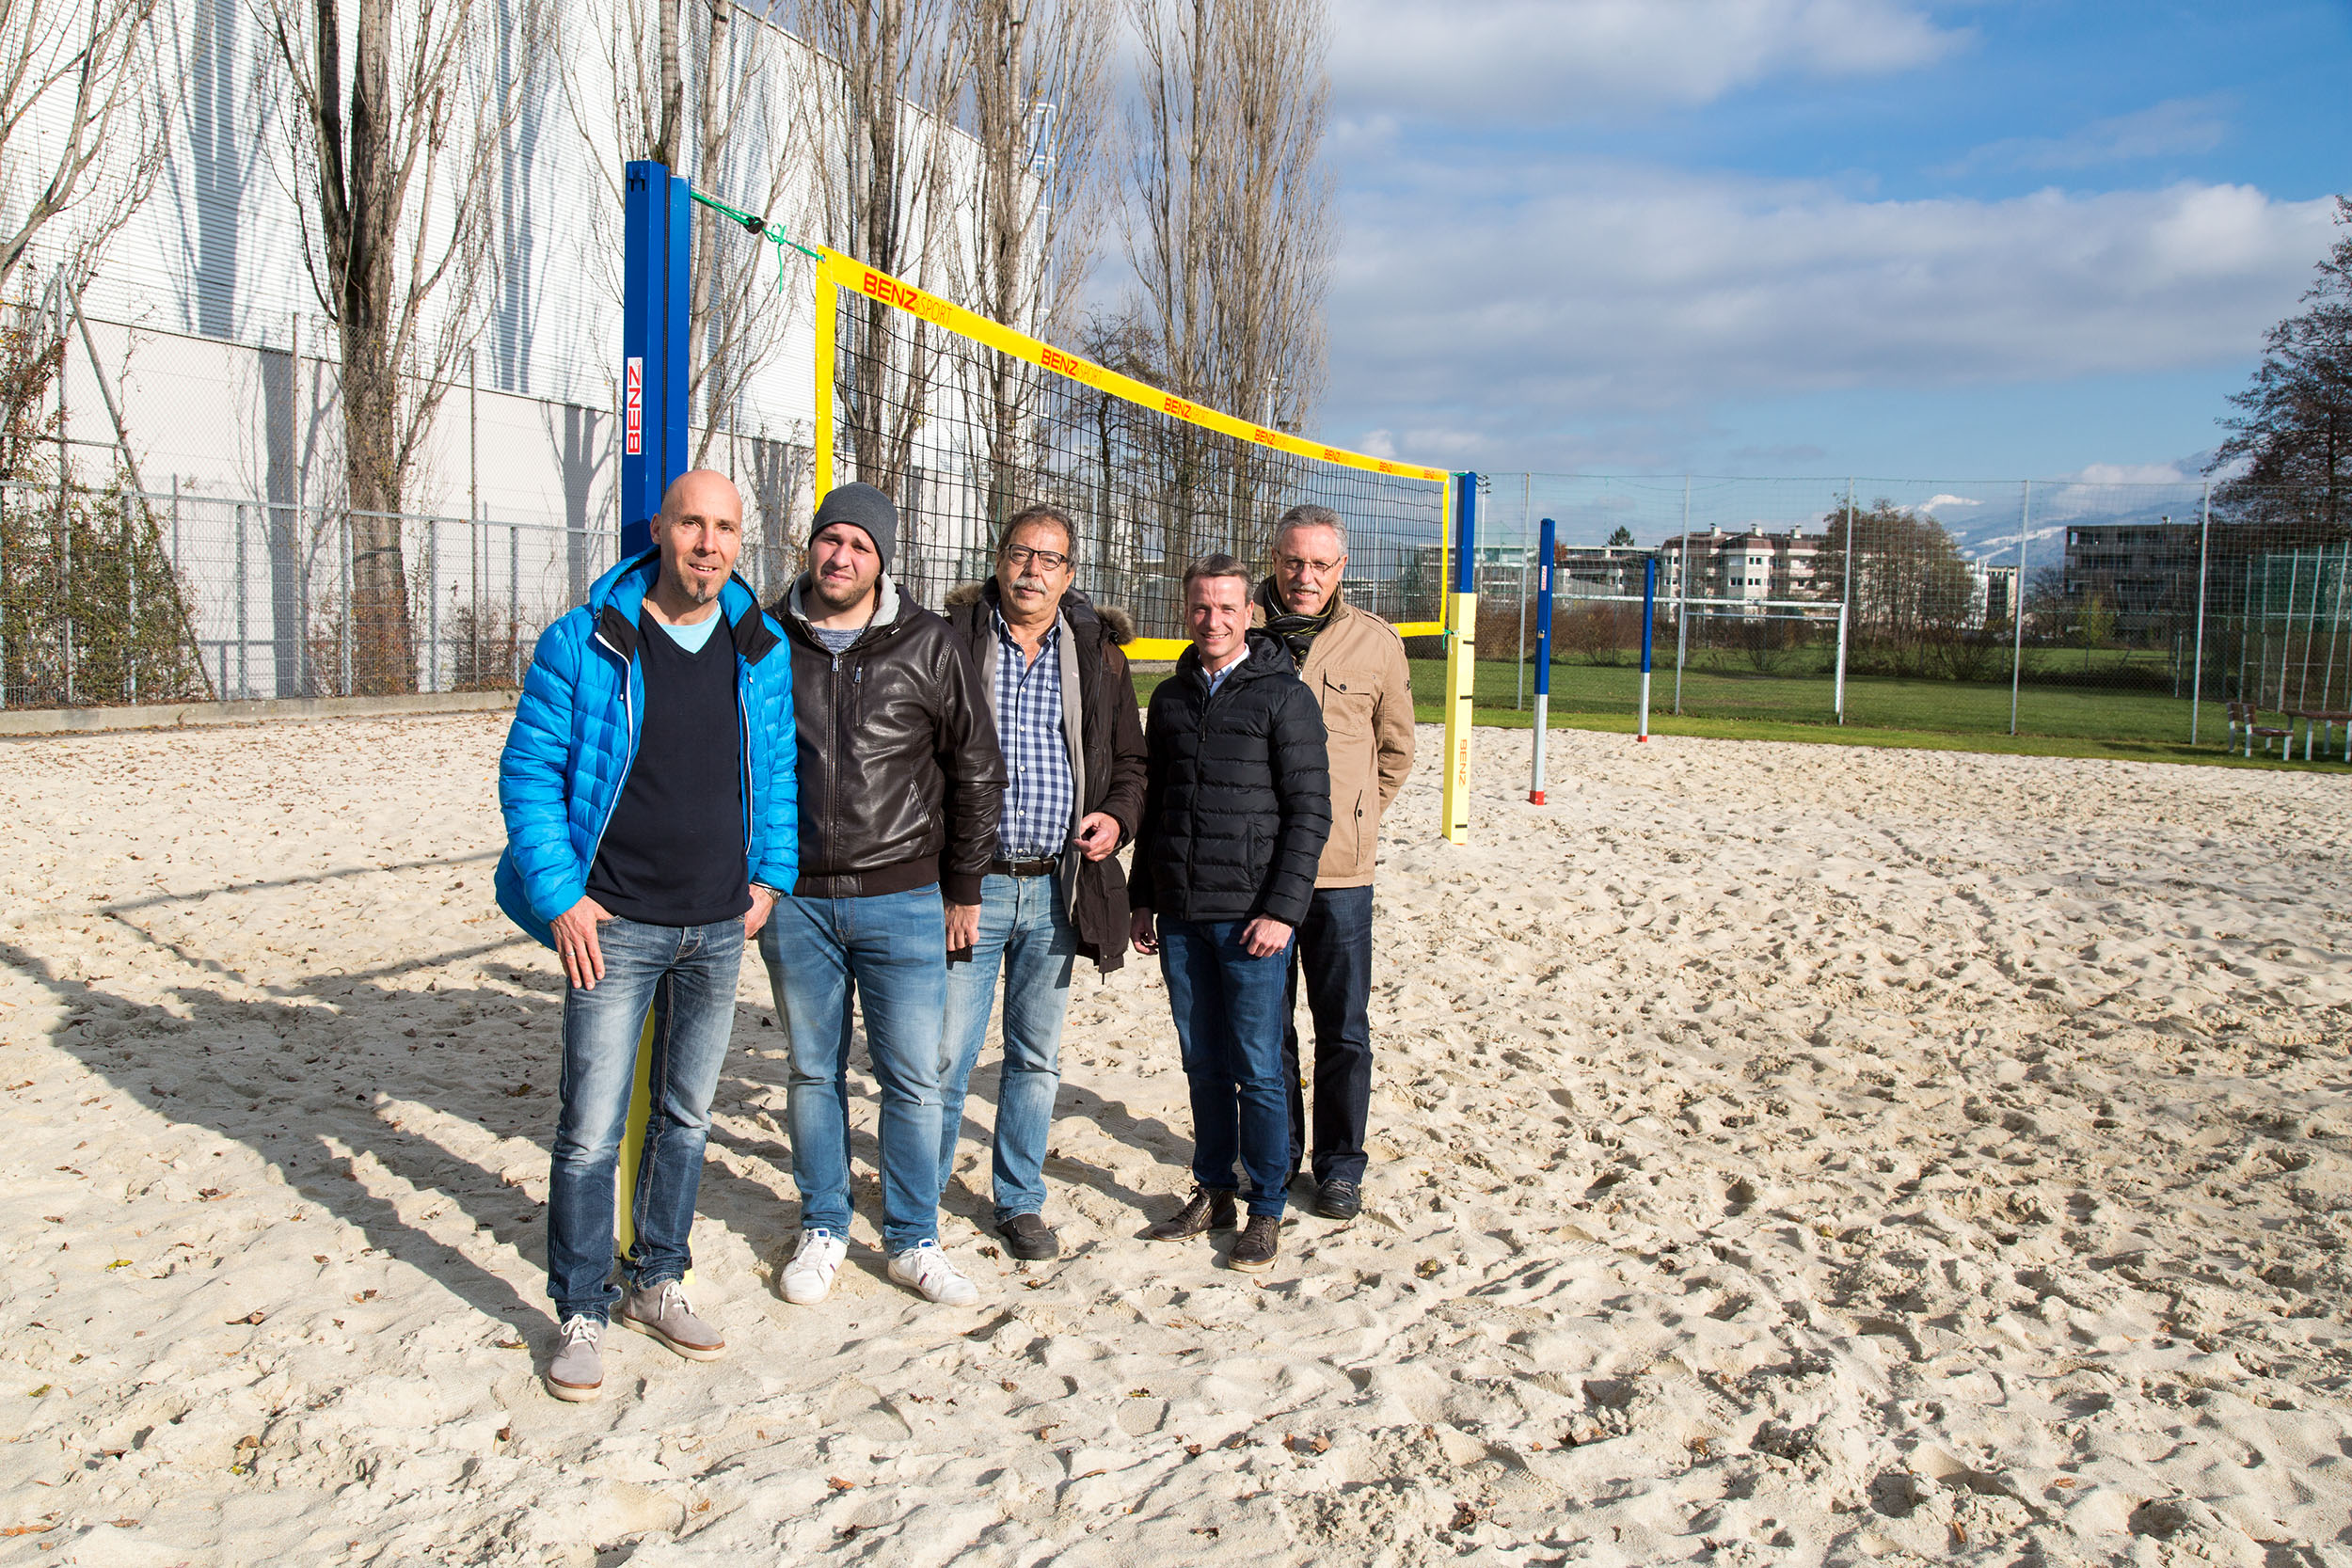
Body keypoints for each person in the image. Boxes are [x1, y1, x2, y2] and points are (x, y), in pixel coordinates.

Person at [494, 469, 798, 1403]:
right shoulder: (585, 637)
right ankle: (581, 1304)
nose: (708, 543)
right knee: (588, 1129)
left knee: (686, 1116)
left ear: (741, 542)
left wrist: (770, 880)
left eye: (725, 528)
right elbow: (530, 771)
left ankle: (658, 1277)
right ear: (660, 529)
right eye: (692, 524)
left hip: (715, 922)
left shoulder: (760, 643)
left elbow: (778, 765)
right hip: (613, 922)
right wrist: (559, 896)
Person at [763, 482, 1005, 1308]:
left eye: (860, 545)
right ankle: (824, 1222)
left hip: (903, 893)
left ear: (883, 559)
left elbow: (976, 765)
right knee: (810, 1071)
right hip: (795, 898)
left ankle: (912, 1237)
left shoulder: (929, 641)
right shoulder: (763, 637)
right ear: (810, 547)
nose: (841, 556)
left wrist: (964, 884)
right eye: (831, 540)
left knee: (915, 1077)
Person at [936, 506, 1148, 1261]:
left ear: (1069, 573)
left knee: (1034, 1057)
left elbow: (1131, 765)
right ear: (999, 559)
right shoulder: (951, 638)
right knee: (946, 1054)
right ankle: (922, 1196)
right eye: (1021, 553)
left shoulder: (1098, 654)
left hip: (1058, 884)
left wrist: (1116, 821)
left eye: (1049, 559)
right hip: (971, 884)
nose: (1032, 569)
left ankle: (1018, 1199)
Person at [1129, 553, 1330, 1275]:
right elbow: (1157, 808)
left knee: (1258, 1065)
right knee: (1203, 1062)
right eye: (1200, 607)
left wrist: (1283, 910)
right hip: (1183, 912)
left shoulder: (1284, 695)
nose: (1212, 620)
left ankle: (1266, 1205)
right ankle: (1213, 1188)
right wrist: (1144, 894)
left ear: (1249, 614)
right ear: (1186, 612)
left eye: (1226, 608)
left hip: (1252, 917)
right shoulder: (1172, 697)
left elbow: (1311, 813)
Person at [1254, 504, 1416, 1221]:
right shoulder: (1239, 627)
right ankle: (1278, 1153)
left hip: (1342, 874)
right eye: (1294, 561)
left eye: (1321, 564)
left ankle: (1341, 1165)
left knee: (1343, 1027)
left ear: (1341, 569)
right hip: (1256, 868)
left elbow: (1396, 750)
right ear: (1274, 559)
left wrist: (1356, 816)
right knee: (1267, 1026)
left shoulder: (1376, 644)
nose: (1306, 576)